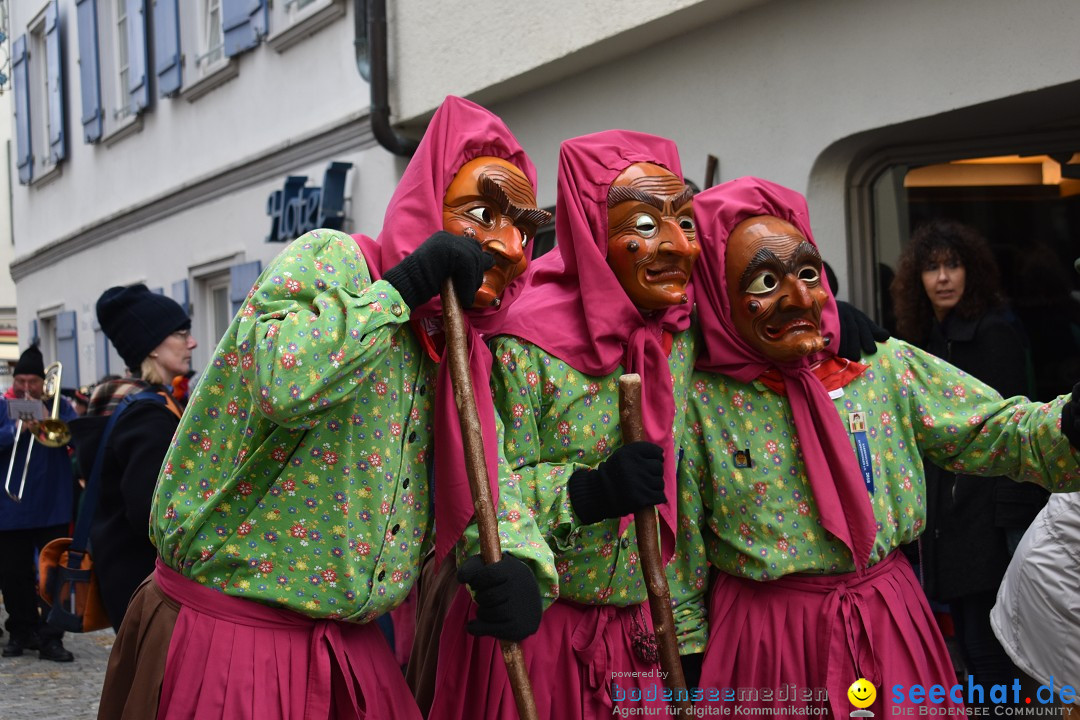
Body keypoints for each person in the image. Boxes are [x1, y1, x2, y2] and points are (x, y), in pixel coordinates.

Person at [96, 95, 550, 720]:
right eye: (480, 215)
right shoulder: (338, 263)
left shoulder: (458, 354)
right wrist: (400, 291)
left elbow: (485, 472)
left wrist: (525, 565)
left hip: (353, 656)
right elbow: (285, 382)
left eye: (522, 229)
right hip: (235, 644)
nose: (509, 248)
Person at [679, 177, 1080, 717]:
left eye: (807, 273)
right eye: (766, 281)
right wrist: (688, 660)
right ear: (721, 292)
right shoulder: (698, 399)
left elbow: (994, 428)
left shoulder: (881, 367)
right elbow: (679, 547)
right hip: (767, 642)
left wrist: (1071, 421)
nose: (800, 297)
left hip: (886, 619)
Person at [429, 130, 707, 720]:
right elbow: (480, 491)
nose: (680, 246)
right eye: (645, 225)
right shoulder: (520, 341)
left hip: (641, 639)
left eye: (685, 222)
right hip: (539, 639)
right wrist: (588, 491)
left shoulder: (676, 336)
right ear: (590, 229)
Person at [891, 219, 1045, 699]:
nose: (942, 278)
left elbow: (1014, 432)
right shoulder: (928, 341)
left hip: (988, 519)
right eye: (932, 267)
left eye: (952, 266)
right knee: (971, 644)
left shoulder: (992, 333)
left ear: (970, 272)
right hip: (951, 519)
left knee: (990, 646)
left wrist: (1006, 521)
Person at [67, 284, 194, 632]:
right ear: (152, 346)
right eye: (181, 334)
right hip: (149, 583)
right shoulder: (147, 414)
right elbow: (151, 513)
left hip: (126, 573)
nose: (191, 343)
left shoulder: (129, 402)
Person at [0, 344, 78, 662]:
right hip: (10, 506)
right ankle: (21, 631)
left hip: (52, 504)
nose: (28, 388)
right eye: (22, 382)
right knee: (13, 573)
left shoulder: (61, 405)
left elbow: (73, 435)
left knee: (53, 574)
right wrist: (17, 427)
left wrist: (46, 419)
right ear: (14, 381)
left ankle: (50, 636)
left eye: (34, 382)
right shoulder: (3, 405)